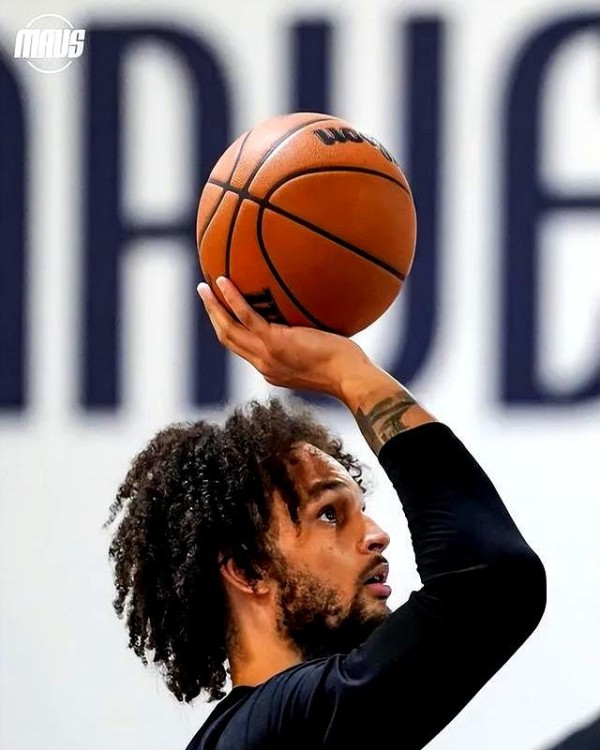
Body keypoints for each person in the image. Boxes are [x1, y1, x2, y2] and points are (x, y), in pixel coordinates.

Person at [106, 276, 547, 750]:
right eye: (330, 514)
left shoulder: (263, 729)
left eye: (361, 510)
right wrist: (346, 371)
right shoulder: (285, 724)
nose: (377, 534)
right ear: (248, 569)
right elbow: (493, 580)